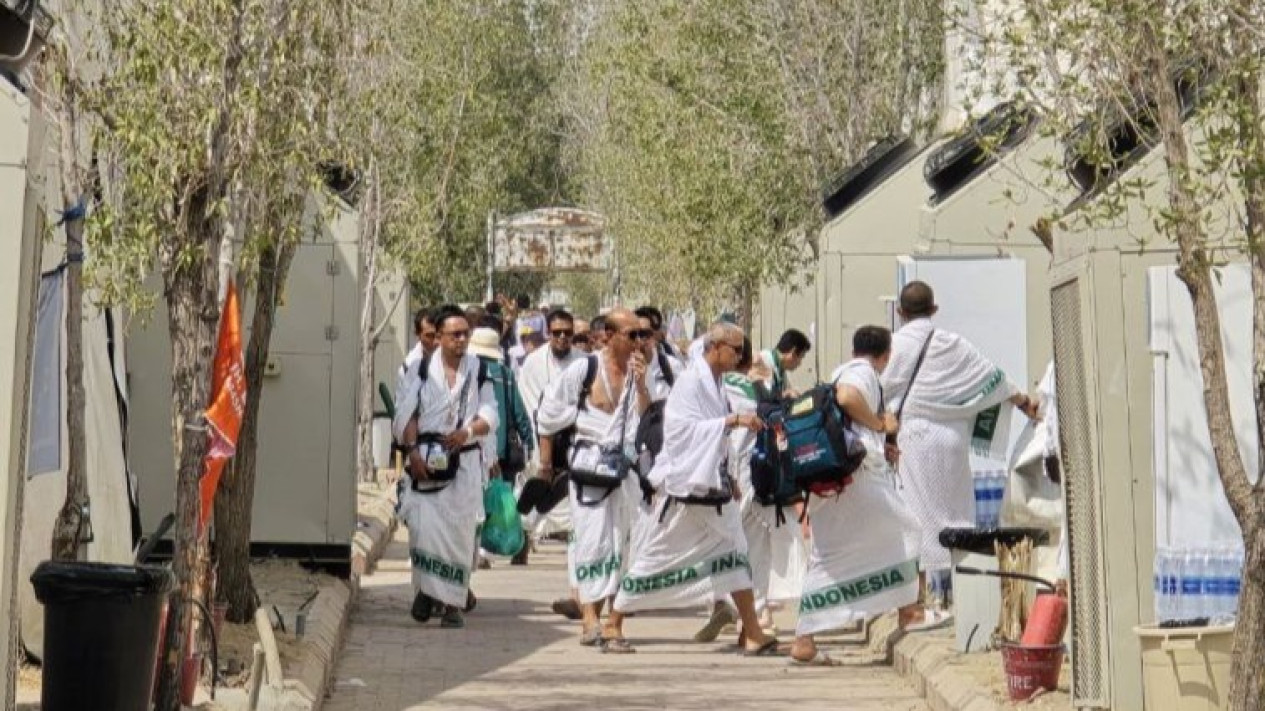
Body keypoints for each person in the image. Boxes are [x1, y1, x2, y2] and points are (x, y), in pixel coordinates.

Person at [607, 323, 780, 656]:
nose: (740, 357)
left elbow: (715, 438)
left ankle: (753, 632)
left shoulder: (716, 383)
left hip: (712, 490)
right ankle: (614, 620)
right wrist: (731, 422)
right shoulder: (691, 382)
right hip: (687, 491)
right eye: (735, 349)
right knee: (656, 559)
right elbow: (681, 431)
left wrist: (727, 476)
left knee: (736, 554)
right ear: (715, 347)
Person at [881, 281, 1038, 625]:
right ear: (934, 310)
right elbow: (993, 378)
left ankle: (916, 602)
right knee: (957, 516)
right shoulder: (952, 343)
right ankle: (965, 601)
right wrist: (1025, 403)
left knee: (913, 519)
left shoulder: (893, 347)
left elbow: (877, 391)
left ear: (900, 312)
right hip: (950, 441)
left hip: (912, 440)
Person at [534, 309, 669, 648]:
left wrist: (640, 384)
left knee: (627, 544)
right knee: (593, 541)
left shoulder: (644, 372)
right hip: (589, 467)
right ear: (608, 335)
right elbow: (548, 415)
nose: (639, 341)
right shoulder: (584, 369)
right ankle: (589, 618)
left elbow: (648, 420)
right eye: (631, 334)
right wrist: (546, 465)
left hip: (626, 472)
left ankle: (614, 619)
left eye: (642, 335)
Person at [790, 326, 921, 665]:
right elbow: (848, 398)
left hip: (830, 478)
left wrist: (880, 442)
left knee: (828, 555)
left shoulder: (840, 371)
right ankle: (909, 611)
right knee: (908, 529)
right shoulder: (861, 374)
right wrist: (881, 426)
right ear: (886, 355)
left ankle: (804, 638)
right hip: (854, 478)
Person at [394, 305, 499, 629]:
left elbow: (489, 413)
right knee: (424, 531)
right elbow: (407, 415)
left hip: (463, 463)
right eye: (455, 334)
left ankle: (451, 603)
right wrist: (413, 453)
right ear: (439, 337)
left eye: (465, 333)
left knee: (459, 535)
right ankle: (427, 590)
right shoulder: (420, 370)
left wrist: (466, 432)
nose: (462, 339)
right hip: (425, 459)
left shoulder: (479, 369)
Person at [712, 339, 806, 643]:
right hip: (762, 480)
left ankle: (744, 614)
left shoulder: (721, 385)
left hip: (734, 479)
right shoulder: (757, 387)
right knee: (763, 547)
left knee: (742, 547)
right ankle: (756, 614)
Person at [394, 307, 438, 413]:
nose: (435, 341)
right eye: (429, 336)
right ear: (418, 335)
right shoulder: (410, 367)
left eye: (438, 335)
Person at [753, 329, 811, 400]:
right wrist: (785, 394)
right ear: (793, 353)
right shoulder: (762, 361)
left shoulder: (780, 368)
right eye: (801, 357)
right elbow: (762, 395)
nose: (800, 363)